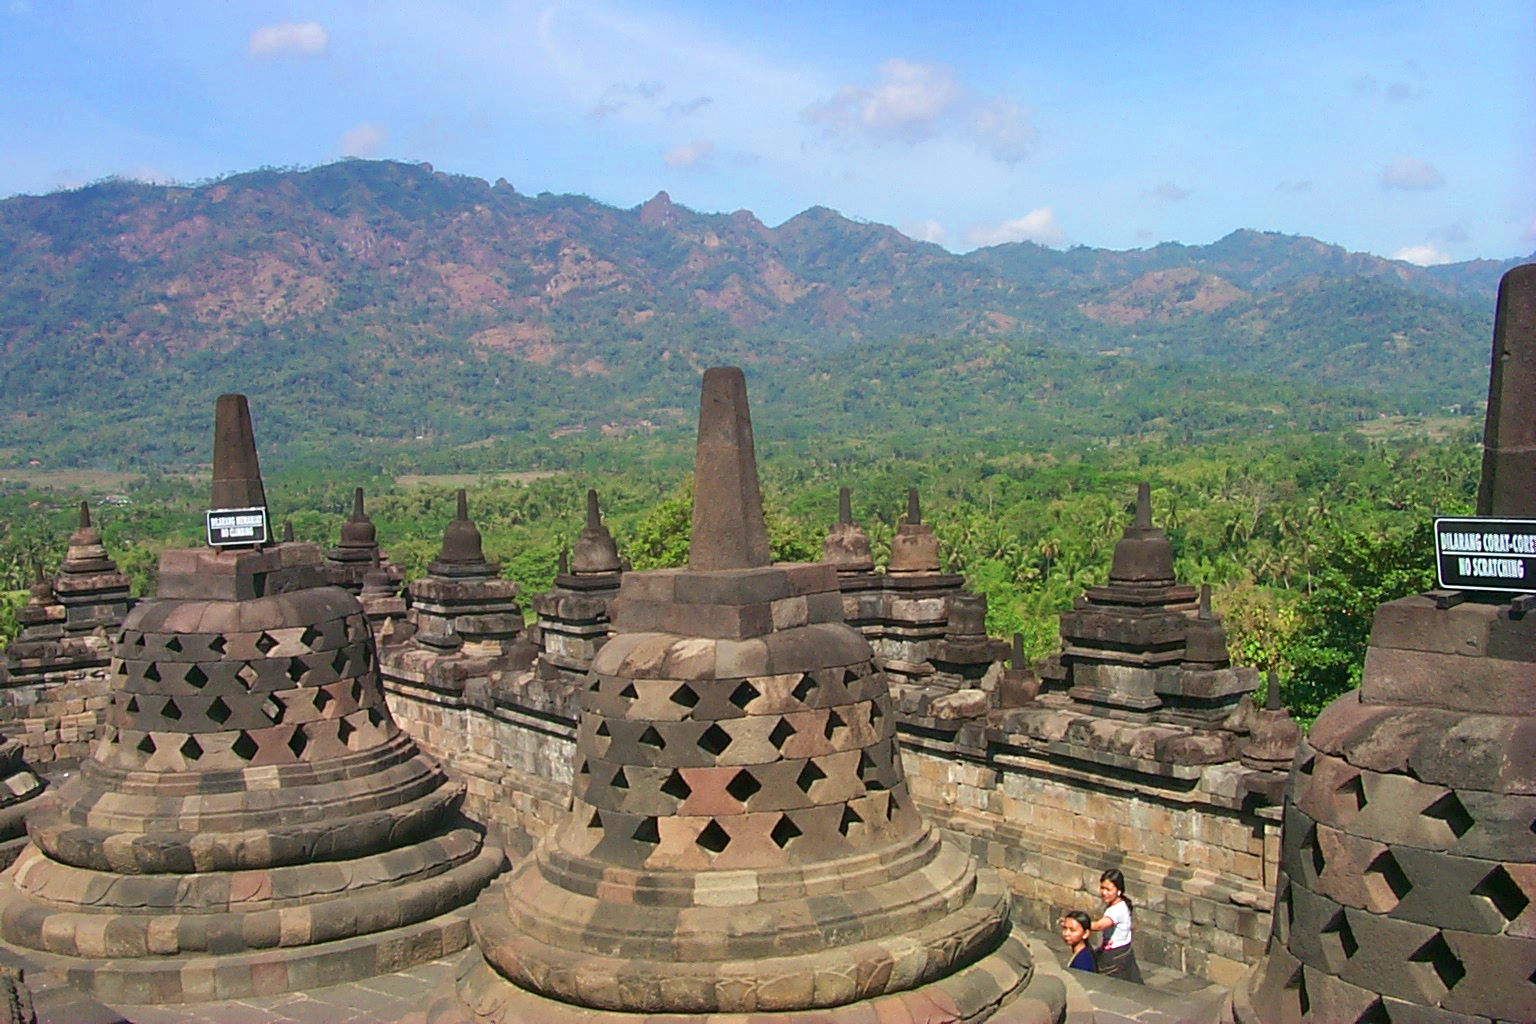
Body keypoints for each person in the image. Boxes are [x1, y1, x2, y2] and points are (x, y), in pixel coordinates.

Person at [1091, 868, 1143, 983]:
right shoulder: (1119, 905)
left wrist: (1080, 923)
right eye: (1102, 888)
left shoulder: (1116, 910)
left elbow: (1100, 926)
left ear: (1118, 890)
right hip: (1123, 952)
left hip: (1116, 956)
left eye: (1108, 889)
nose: (1104, 893)